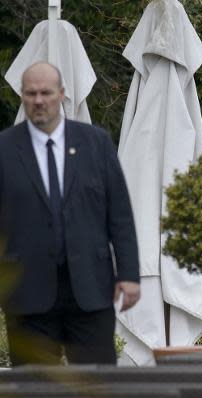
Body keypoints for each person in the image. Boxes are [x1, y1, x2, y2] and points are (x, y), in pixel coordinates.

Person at [0, 62, 140, 365]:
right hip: (27, 292)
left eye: (46, 93)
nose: (39, 100)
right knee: (35, 396)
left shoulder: (96, 143)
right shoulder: (5, 149)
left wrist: (129, 274)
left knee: (99, 390)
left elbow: (119, 213)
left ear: (61, 94)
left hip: (90, 288)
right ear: (22, 96)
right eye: (31, 93)